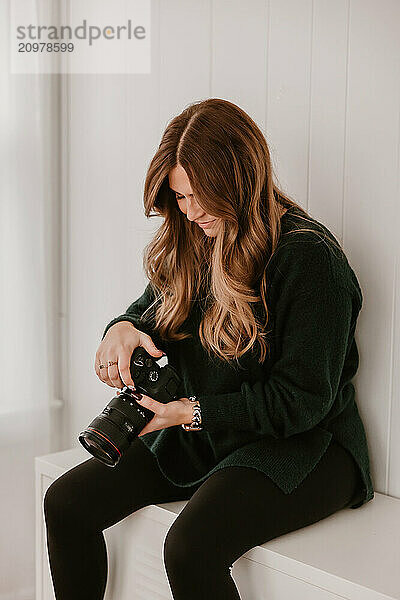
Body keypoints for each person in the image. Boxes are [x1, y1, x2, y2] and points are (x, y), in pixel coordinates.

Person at [43, 98, 374, 600]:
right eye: (180, 196)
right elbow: (150, 309)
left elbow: (303, 401)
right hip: (208, 427)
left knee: (191, 547)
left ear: (240, 180)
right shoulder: (199, 238)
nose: (191, 211)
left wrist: (190, 413)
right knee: (65, 503)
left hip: (306, 444)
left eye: (201, 195)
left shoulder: (310, 261)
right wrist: (122, 328)